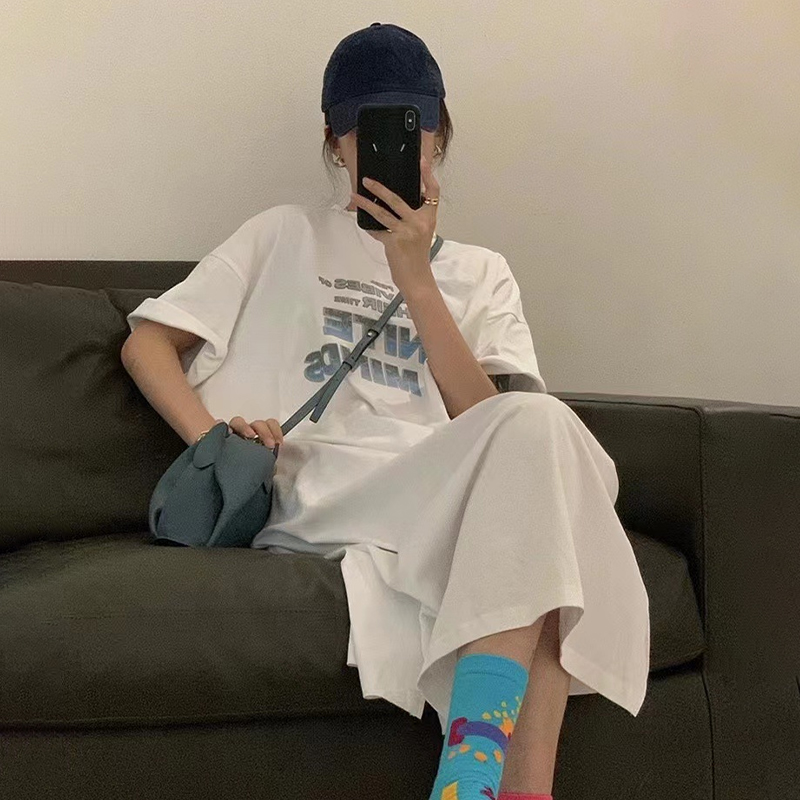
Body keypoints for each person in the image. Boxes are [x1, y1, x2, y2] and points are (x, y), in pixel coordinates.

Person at [121, 23, 649, 800]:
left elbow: (486, 422)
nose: (389, 149)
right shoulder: (282, 234)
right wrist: (215, 441)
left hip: (439, 492)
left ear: (439, 134)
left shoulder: (482, 273)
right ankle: (485, 783)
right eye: (363, 130)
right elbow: (146, 344)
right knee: (547, 497)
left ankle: (485, 789)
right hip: (318, 481)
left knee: (537, 448)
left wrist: (418, 279)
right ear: (335, 143)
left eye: (410, 126)